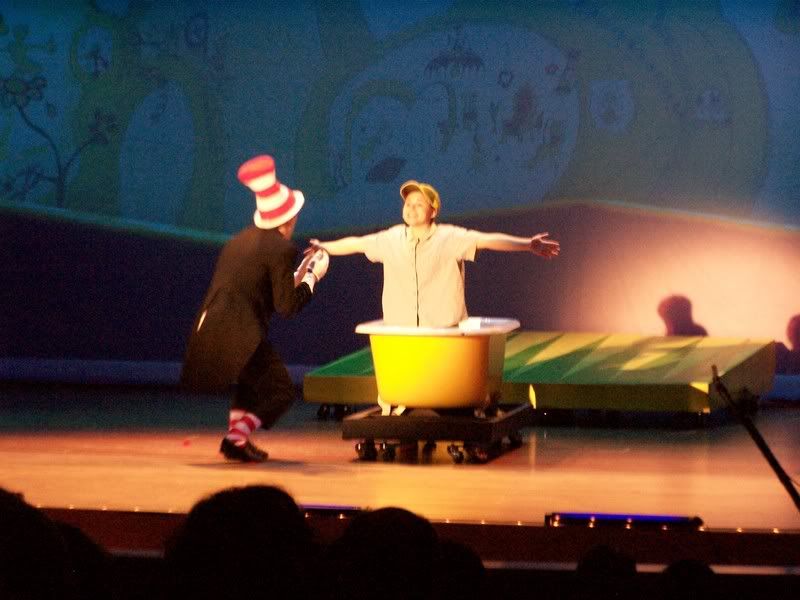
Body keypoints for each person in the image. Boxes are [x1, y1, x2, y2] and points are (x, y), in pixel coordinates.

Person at [181, 155, 329, 462]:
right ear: (288, 220)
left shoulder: (240, 241)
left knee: (249, 387)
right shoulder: (281, 248)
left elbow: (262, 285)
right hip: (239, 332)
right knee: (281, 391)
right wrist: (313, 277)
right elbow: (286, 305)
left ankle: (236, 443)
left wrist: (300, 271)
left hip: (215, 325)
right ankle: (235, 437)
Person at [310, 179, 559, 328]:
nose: (411, 208)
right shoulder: (390, 239)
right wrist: (325, 247)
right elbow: (357, 243)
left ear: (433, 211)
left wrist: (528, 244)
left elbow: (487, 240)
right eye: (408, 204)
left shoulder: (450, 237)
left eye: (419, 204)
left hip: (444, 332)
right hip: (401, 332)